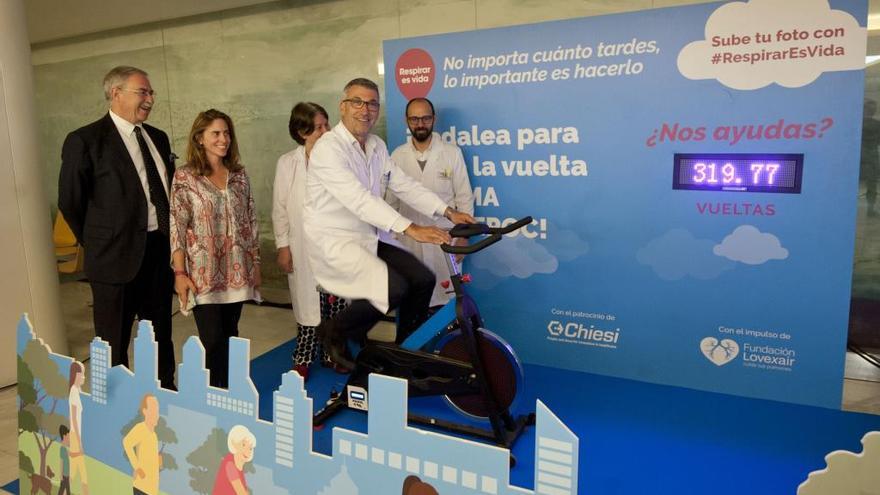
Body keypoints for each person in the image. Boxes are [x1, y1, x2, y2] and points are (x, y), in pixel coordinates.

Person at [304, 78, 475, 369]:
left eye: (372, 103)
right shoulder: (328, 149)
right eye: (357, 102)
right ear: (343, 107)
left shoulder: (376, 146)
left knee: (423, 279)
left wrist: (446, 211)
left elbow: (402, 183)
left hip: (370, 234)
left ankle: (405, 349)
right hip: (337, 240)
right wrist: (411, 228)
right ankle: (334, 331)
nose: (365, 109)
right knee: (392, 288)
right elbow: (357, 198)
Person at [58, 66, 176, 389]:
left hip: (158, 253)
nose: (150, 99)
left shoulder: (158, 138)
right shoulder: (85, 141)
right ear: (116, 93)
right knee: (113, 343)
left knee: (160, 335)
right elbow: (70, 202)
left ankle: (165, 394)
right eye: (143, 92)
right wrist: (100, 241)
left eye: (151, 93)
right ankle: (117, 408)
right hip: (113, 260)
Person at [170, 109, 261, 389]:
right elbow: (177, 226)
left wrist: (255, 263)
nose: (223, 139)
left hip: (238, 270)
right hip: (203, 274)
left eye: (226, 133)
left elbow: (251, 219)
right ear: (199, 138)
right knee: (212, 340)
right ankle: (214, 396)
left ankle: (231, 393)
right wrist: (179, 272)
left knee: (231, 336)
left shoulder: (239, 174)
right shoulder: (185, 177)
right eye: (216, 133)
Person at [272, 102, 340, 380]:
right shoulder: (288, 163)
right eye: (320, 127)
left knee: (334, 303)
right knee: (307, 304)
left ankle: (332, 353)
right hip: (300, 245)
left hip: (334, 245)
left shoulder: (338, 158)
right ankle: (303, 357)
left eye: (327, 124)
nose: (327, 131)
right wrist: (282, 246)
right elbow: (280, 207)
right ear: (303, 132)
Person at [390, 97, 474, 307]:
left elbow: (464, 198)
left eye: (425, 118)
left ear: (434, 119)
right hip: (410, 243)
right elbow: (391, 204)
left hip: (446, 242)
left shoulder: (451, 153)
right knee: (412, 304)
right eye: (414, 119)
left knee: (446, 305)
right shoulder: (397, 156)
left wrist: (463, 238)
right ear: (406, 120)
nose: (420, 124)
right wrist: (393, 242)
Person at [122, 394, 163, 495]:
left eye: (157, 410)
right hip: (142, 487)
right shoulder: (141, 428)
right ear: (145, 411)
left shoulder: (154, 435)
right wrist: (137, 467)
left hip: (152, 489)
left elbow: (151, 461)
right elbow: (126, 442)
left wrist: (159, 463)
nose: (156, 413)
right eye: (153, 409)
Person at [211, 425, 256, 495]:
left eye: (250, 448)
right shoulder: (230, 465)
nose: (247, 451)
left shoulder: (239, 465)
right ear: (234, 443)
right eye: (243, 445)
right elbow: (241, 492)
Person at [67, 362, 89, 495]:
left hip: (76, 435)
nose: (84, 377)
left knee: (76, 472)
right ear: (76, 375)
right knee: (79, 472)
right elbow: (74, 418)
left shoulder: (76, 390)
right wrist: (79, 441)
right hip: (75, 436)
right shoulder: (74, 392)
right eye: (82, 374)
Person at [862, 99, 880, 217]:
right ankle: (870, 209)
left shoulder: (857, 123)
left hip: (858, 156)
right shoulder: (877, 125)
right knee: (872, 184)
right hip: (872, 156)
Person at [58, 425, 71, 495]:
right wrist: (60, 475)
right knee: (66, 491)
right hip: (64, 475)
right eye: (68, 436)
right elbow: (61, 462)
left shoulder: (65, 449)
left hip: (66, 475)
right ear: (64, 436)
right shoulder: (62, 449)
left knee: (62, 490)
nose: (69, 438)